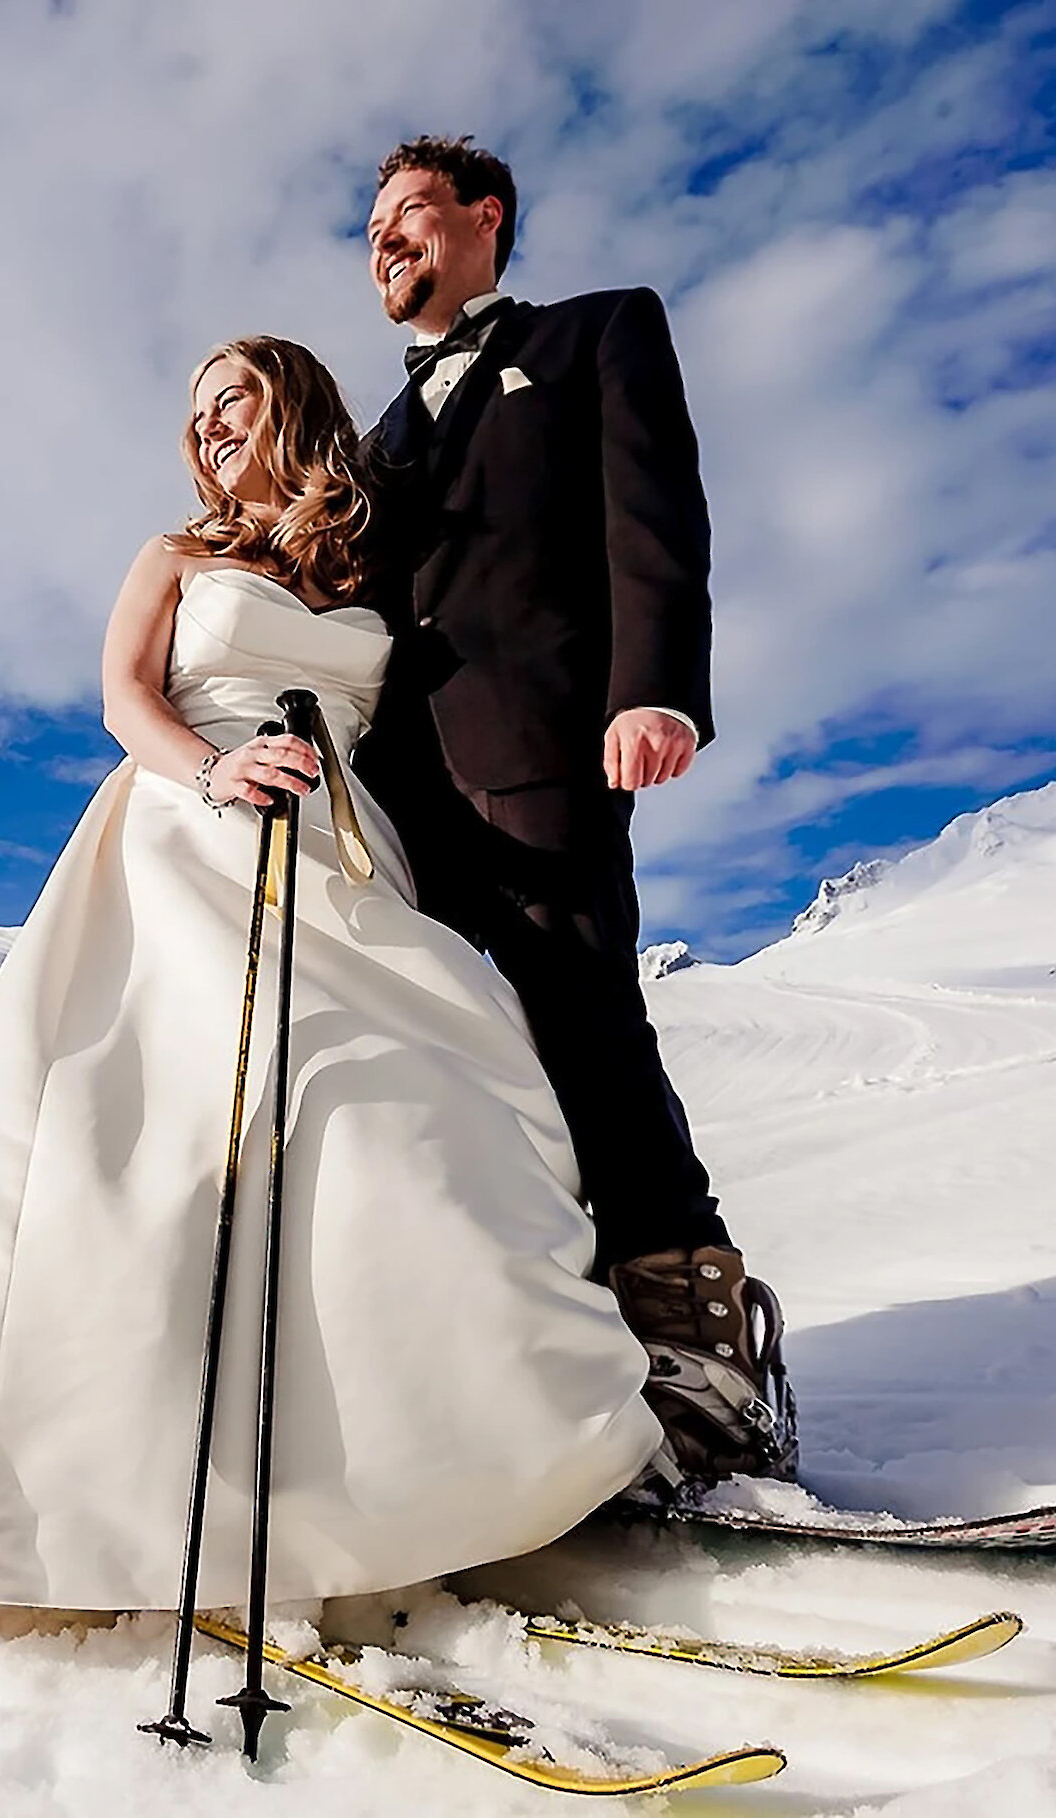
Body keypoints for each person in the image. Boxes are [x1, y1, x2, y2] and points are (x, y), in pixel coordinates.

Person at [0, 335, 664, 1720]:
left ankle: (422, 1485)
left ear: (292, 401)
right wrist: (217, 771)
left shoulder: (364, 573)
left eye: (233, 397)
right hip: (189, 836)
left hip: (343, 857)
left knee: (413, 1119)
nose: (209, 426)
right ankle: (129, 1519)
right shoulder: (171, 554)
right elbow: (124, 701)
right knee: (148, 1160)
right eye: (194, 411)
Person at [355, 135, 797, 1485]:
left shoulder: (600, 334)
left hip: (546, 749)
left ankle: (706, 1353)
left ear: (485, 221)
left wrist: (652, 687)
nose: (388, 240)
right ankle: (488, 1365)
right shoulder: (370, 446)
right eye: (373, 226)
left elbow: (654, 518)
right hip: (393, 804)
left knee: (587, 1028)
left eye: (413, 214)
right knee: (406, 1068)